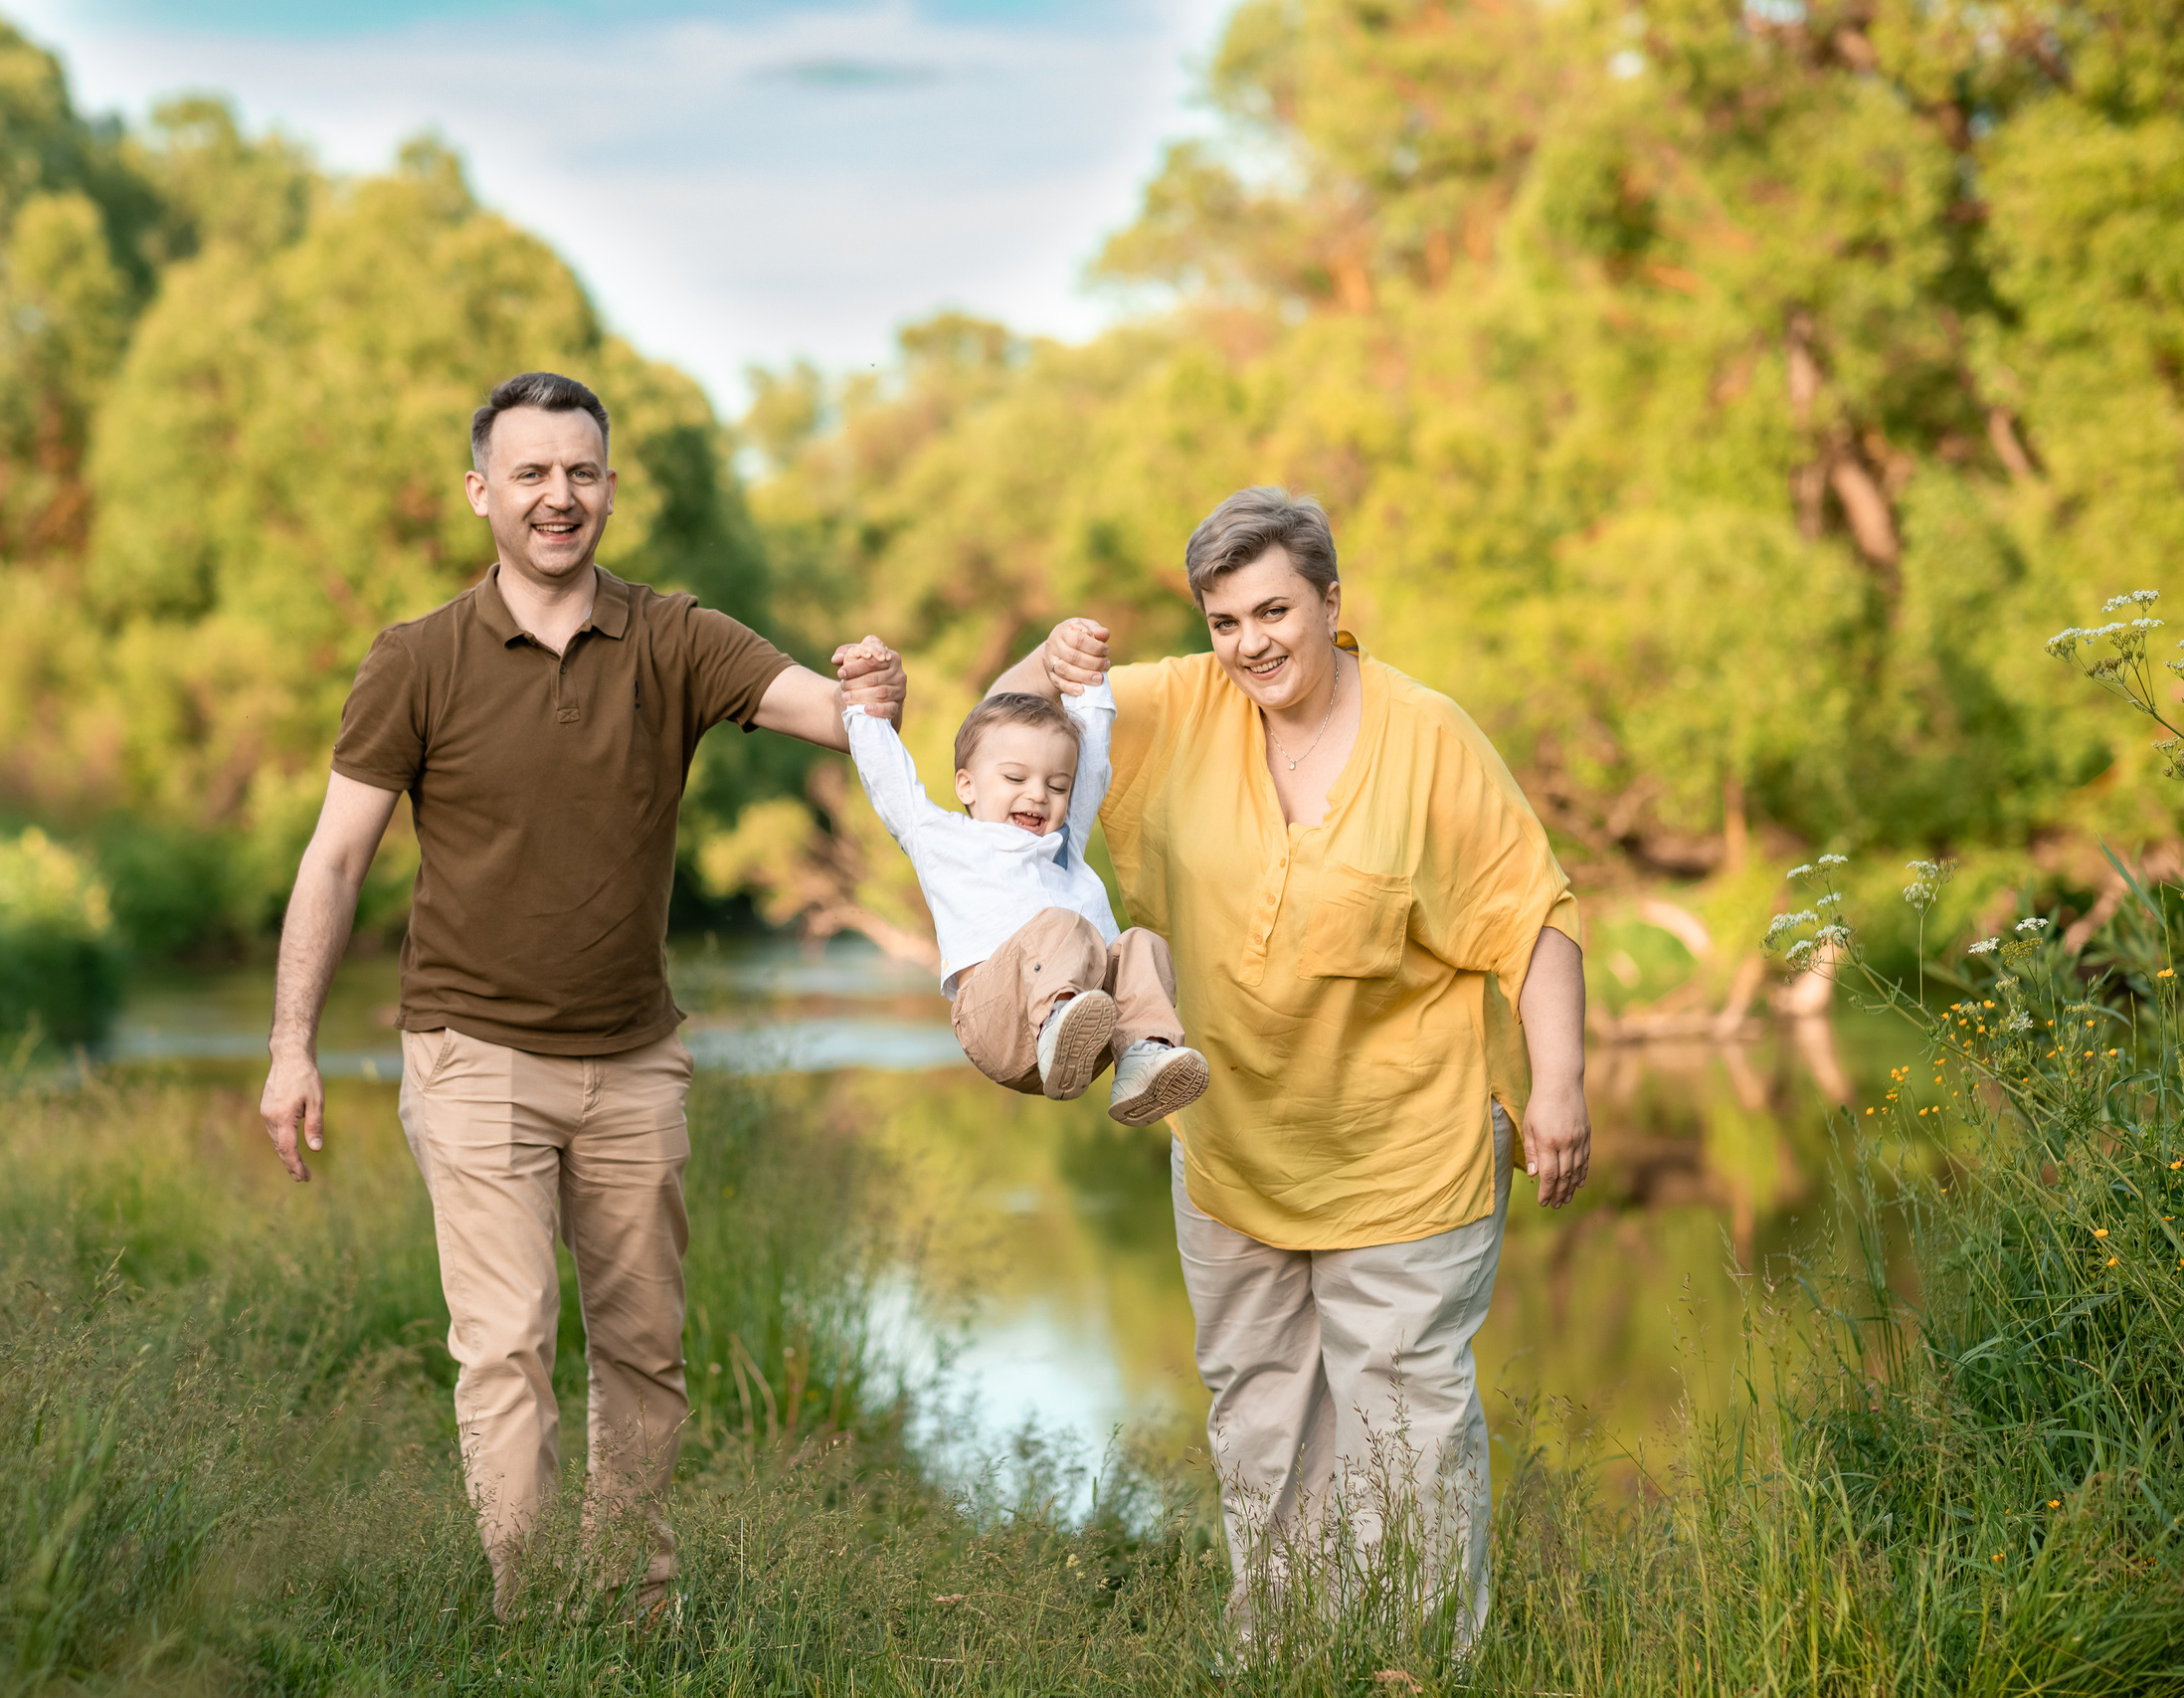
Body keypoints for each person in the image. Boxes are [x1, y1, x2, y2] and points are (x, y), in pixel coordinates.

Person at [254, 371, 906, 1619]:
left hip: (633, 1061)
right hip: (472, 1055)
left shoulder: (676, 637)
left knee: (642, 1351)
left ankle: (632, 1613)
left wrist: (875, 690)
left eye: (582, 473)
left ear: (608, 488)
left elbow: (838, 720)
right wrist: (292, 1047)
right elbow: (333, 861)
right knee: (505, 1348)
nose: (559, 496)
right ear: (481, 492)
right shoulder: (415, 660)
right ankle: (531, 1617)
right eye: (533, 473)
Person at [989, 487, 1588, 1643]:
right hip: (1229, 1146)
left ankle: (1413, 1663)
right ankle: (1285, 1655)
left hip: (1408, 1149)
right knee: (1260, 1421)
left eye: (1273, 611)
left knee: (1403, 1433)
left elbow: (1533, 914)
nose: (1250, 643)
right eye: (1224, 621)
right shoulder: (1171, 707)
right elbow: (1000, 748)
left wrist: (1558, 1086)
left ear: (1328, 600)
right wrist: (1046, 659)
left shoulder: (1427, 737)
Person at [837, 649, 1210, 1123]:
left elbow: (1093, 769)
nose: (1038, 794)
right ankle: (1058, 1020)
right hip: (998, 1023)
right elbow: (889, 780)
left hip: (1088, 1036)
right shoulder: (944, 840)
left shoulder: (1061, 846)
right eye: (1015, 777)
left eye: (1057, 787)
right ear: (967, 785)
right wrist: (863, 705)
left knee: (1142, 944)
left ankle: (1142, 1055)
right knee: (1061, 925)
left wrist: (1089, 685)